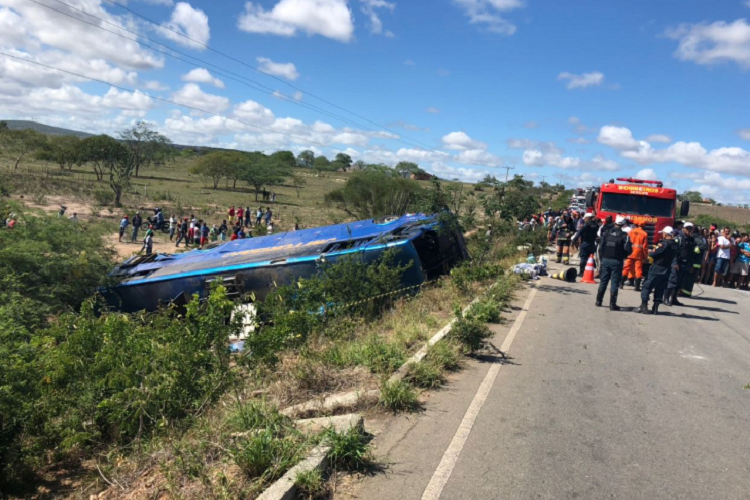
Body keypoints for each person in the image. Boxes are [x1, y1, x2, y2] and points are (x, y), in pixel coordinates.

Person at [637, 227, 678, 315]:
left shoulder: (664, 244)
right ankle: (655, 308)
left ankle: (644, 306)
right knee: (660, 288)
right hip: (667, 269)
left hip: (657, 268)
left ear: (666, 234)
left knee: (647, 286)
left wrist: (651, 251)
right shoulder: (675, 245)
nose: (662, 235)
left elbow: (653, 254)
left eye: (663, 233)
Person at [595, 216, 632, 310]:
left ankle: (598, 301)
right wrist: (623, 256)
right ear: (623, 224)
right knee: (614, 283)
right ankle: (612, 304)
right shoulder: (624, 235)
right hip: (617, 261)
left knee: (603, 281)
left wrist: (602, 256)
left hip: (606, 259)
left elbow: (601, 246)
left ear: (615, 222)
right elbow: (628, 250)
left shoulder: (607, 233)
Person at [664, 222, 696, 306]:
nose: (689, 230)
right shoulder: (678, 238)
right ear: (684, 229)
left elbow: (691, 254)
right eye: (688, 228)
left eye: (691, 229)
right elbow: (674, 252)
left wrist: (691, 265)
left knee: (680, 282)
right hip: (677, 263)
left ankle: (674, 299)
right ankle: (666, 298)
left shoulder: (691, 240)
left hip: (686, 264)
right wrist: (674, 263)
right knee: (672, 281)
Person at [621, 221, 648, 291]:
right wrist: (645, 257)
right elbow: (645, 247)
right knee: (638, 269)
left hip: (630, 252)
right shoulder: (644, 234)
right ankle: (637, 287)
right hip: (638, 254)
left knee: (626, 268)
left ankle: (621, 284)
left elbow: (627, 242)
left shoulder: (631, 232)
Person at [572, 213, 598, 278]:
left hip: (585, 243)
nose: (585, 219)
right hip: (592, 243)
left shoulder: (586, 225)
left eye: (585, 218)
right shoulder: (596, 225)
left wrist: (574, 240)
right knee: (590, 258)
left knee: (583, 258)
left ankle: (581, 272)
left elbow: (579, 233)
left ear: (587, 218)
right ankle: (590, 271)